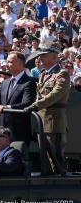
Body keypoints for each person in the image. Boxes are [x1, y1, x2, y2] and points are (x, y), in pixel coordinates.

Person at [24, 45, 70, 173]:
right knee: (44, 157)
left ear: (54, 57)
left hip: (53, 121)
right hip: (42, 121)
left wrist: (35, 106)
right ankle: (48, 182)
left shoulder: (62, 74)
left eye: (44, 55)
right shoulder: (43, 74)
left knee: (55, 157)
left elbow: (55, 94)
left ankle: (59, 185)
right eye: (40, 55)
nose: (40, 58)